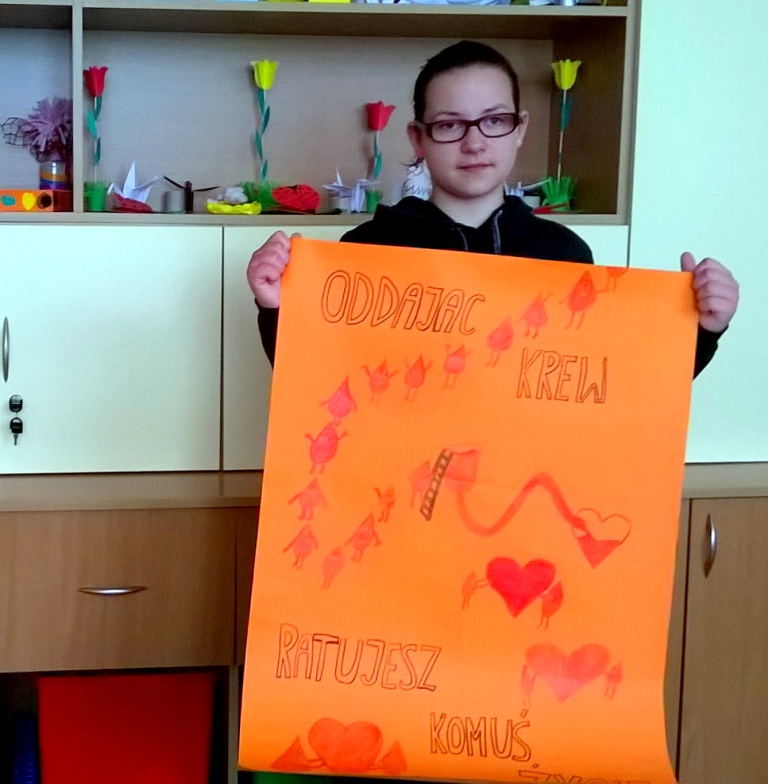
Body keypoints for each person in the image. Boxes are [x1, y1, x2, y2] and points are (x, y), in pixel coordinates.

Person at [248, 40, 739, 373]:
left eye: (494, 120)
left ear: (520, 129)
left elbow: (614, 387)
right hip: (393, 489)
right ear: (418, 137)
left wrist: (704, 329)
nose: (475, 142)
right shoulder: (366, 251)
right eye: (449, 124)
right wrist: (276, 307)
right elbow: (316, 377)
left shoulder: (564, 255)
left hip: (525, 490)